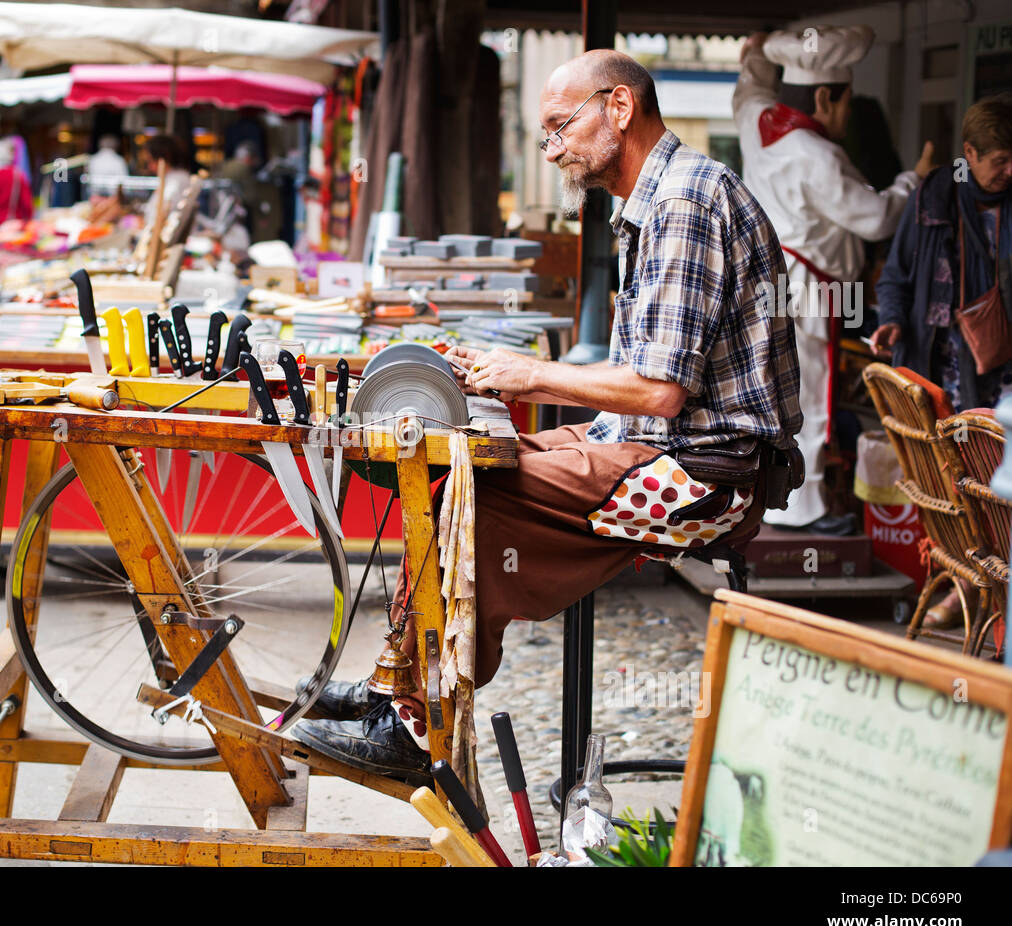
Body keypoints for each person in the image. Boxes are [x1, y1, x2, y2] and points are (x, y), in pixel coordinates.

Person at [291, 51, 803, 784]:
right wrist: (497, 380)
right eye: (547, 133)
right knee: (454, 464)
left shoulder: (685, 202)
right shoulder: (659, 199)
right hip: (656, 446)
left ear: (619, 109)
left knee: (475, 502)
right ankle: (393, 692)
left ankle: (412, 727)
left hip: (711, 477)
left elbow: (658, 391)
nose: (554, 146)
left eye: (562, 126)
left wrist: (530, 372)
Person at [733, 26, 936, 535]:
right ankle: (804, 508)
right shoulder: (819, 155)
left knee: (773, 386)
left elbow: (750, 90)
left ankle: (774, 495)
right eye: (845, 101)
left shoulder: (759, 122)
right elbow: (876, 218)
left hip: (769, 281)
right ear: (825, 97)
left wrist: (756, 56)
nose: (848, 114)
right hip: (811, 289)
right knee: (811, 392)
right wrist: (915, 178)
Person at [869, 93, 1012, 628]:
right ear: (969, 153)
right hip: (942, 360)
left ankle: (995, 595)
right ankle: (963, 587)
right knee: (955, 483)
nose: (1008, 171)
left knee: (1003, 482)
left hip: (1005, 373)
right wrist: (891, 319)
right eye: (999, 160)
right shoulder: (933, 198)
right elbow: (896, 277)